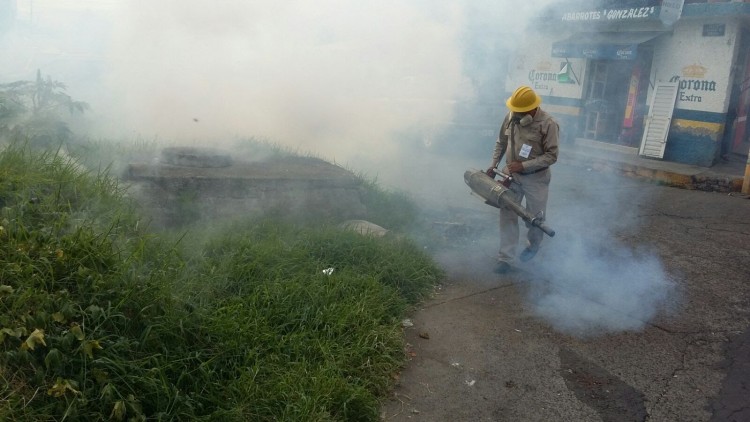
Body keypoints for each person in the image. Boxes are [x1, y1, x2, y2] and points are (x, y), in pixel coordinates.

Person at [486, 86, 559, 273]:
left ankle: (533, 245)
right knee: (507, 215)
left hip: (537, 178)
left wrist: (524, 165)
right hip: (512, 176)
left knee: (534, 219)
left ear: (531, 109)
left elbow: (552, 156)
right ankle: (505, 258)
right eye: (514, 111)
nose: (516, 115)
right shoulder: (511, 117)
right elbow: (501, 141)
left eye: (520, 112)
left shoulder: (548, 124)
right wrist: (494, 164)